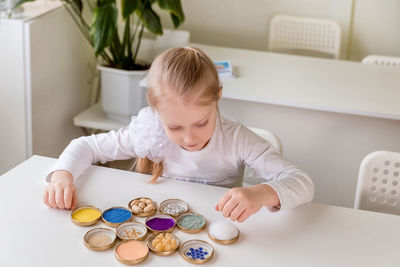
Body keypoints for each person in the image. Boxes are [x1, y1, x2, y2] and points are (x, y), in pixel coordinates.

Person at [43, 47, 314, 223]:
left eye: (200, 123)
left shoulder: (237, 138)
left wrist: (260, 193)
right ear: (155, 111)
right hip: (159, 226)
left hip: (213, 230)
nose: (189, 138)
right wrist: (62, 175)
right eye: (174, 127)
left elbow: (302, 182)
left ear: (218, 96)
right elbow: (86, 146)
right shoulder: (149, 131)